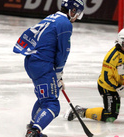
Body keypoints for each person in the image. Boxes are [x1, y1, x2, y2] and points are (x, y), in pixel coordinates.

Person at [12, 0, 84, 136]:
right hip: (42, 65)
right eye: (77, 14)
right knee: (52, 104)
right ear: (72, 11)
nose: (76, 18)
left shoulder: (51, 17)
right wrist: (57, 73)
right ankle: (33, 132)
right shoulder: (65, 23)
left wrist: (57, 76)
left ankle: (32, 128)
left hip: (32, 62)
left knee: (43, 99)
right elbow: (63, 52)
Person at [65, 28, 124, 123]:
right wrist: (118, 88)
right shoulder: (111, 58)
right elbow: (106, 78)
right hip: (109, 86)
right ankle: (81, 111)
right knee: (110, 117)